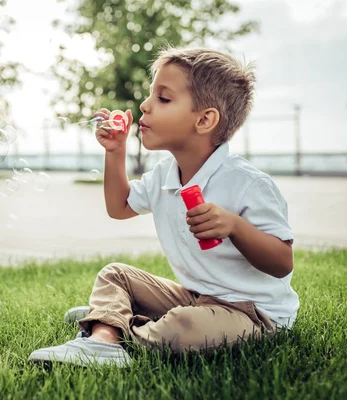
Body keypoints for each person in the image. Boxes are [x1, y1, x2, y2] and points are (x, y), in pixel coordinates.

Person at [28, 46, 300, 368]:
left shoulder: (248, 184)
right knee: (116, 274)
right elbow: (119, 207)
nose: (145, 105)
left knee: (183, 327)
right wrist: (115, 151)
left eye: (163, 98)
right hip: (196, 297)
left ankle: (111, 319)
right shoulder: (163, 176)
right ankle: (103, 341)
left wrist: (235, 226)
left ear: (204, 120)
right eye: (150, 95)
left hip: (252, 313)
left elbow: (282, 263)